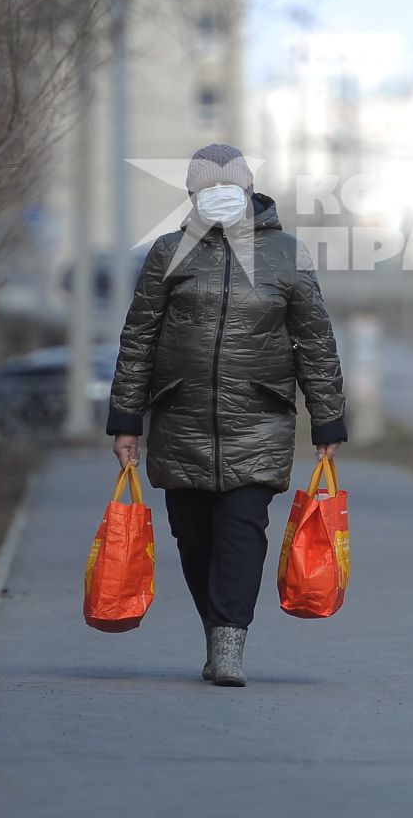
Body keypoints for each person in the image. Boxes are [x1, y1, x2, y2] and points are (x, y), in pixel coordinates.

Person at [105, 143, 347, 687]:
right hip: (180, 418)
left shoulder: (286, 253)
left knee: (242, 531)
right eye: (206, 189)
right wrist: (126, 420)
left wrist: (328, 419)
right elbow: (138, 339)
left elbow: (315, 341)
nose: (218, 197)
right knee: (192, 539)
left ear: (248, 190)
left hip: (258, 418)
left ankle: (230, 644)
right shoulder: (168, 252)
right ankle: (217, 631)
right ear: (191, 195)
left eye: (228, 188)